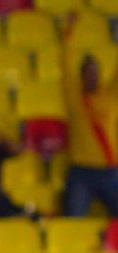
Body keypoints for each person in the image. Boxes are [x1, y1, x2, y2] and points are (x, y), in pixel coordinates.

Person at [61, 14, 118, 217]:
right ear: (81, 77)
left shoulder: (110, 96)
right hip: (80, 172)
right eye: (88, 73)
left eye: (95, 72)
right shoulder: (74, 98)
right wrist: (68, 33)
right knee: (72, 221)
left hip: (110, 171)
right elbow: (65, 66)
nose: (92, 76)